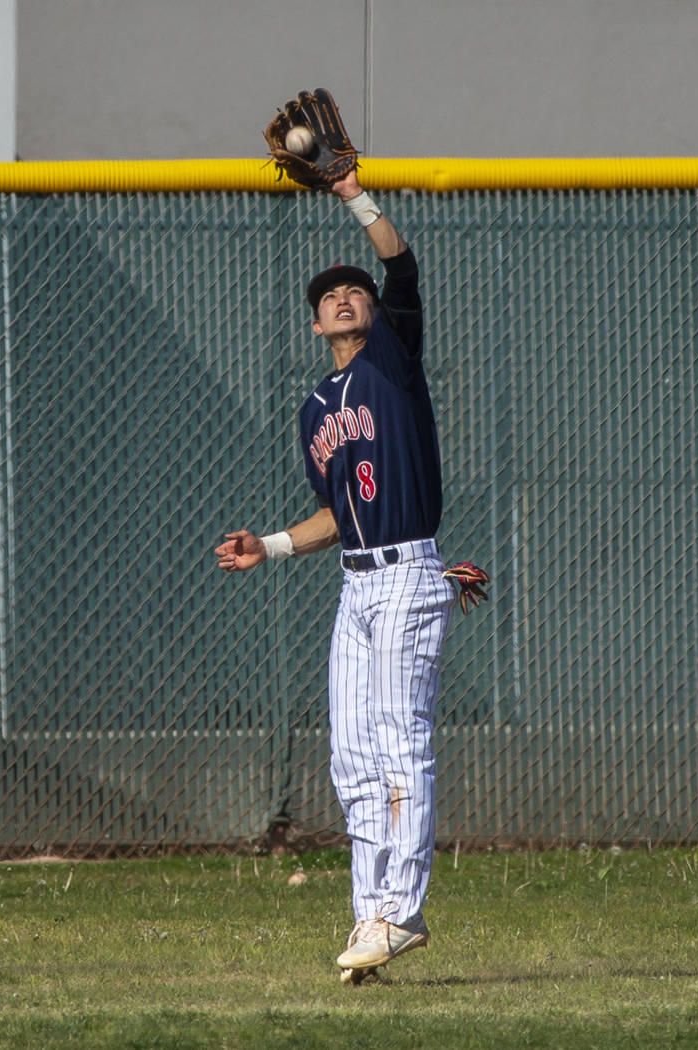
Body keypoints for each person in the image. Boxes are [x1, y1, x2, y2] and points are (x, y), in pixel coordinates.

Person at [215, 168, 456, 982]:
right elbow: (333, 516)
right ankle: (369, 916)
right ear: (315, 322)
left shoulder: (392, 358)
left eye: (356, 290)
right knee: (351, 757)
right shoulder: (318, 407)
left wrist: (352, 192)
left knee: (397, 746)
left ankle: (400, 913)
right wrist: (272, 546)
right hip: (356, 586)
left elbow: (403, 267)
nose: (347, 297)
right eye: (332, 296)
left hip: (405, 578)